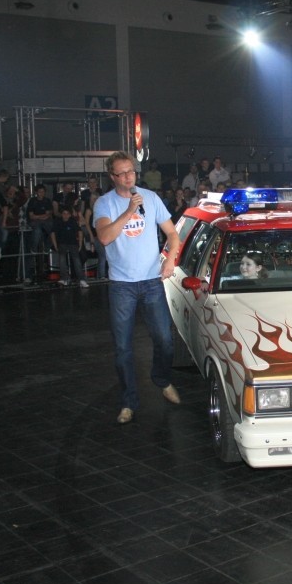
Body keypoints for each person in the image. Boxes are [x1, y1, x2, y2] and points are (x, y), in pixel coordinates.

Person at [94, 151, 182, 424]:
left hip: (151, 281)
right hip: (122, 285)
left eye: (131, 171)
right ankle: (128, 402)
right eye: (121, 173)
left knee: (165, 340)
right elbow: (105, 237)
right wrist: (129, 211)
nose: (128, 177)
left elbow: (172, 234)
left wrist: (170, 260)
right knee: (123, 348)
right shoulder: (104, 203)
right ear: (112, 176)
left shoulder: (151, 198)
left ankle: (162, 379)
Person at [51, 206, 88, 288]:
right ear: (61, 214)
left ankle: (81, 279)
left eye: (67, 213)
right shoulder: (58, 222)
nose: (66, 215)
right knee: (62, 259)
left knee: (76, 259)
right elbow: (53, 233)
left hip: (73, 243)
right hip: (62, 243)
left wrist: (80, 243)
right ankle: (64, 278)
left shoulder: (72, 221)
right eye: (64, 213)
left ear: (70, 215)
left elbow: (80, 231)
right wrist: (55, 245)